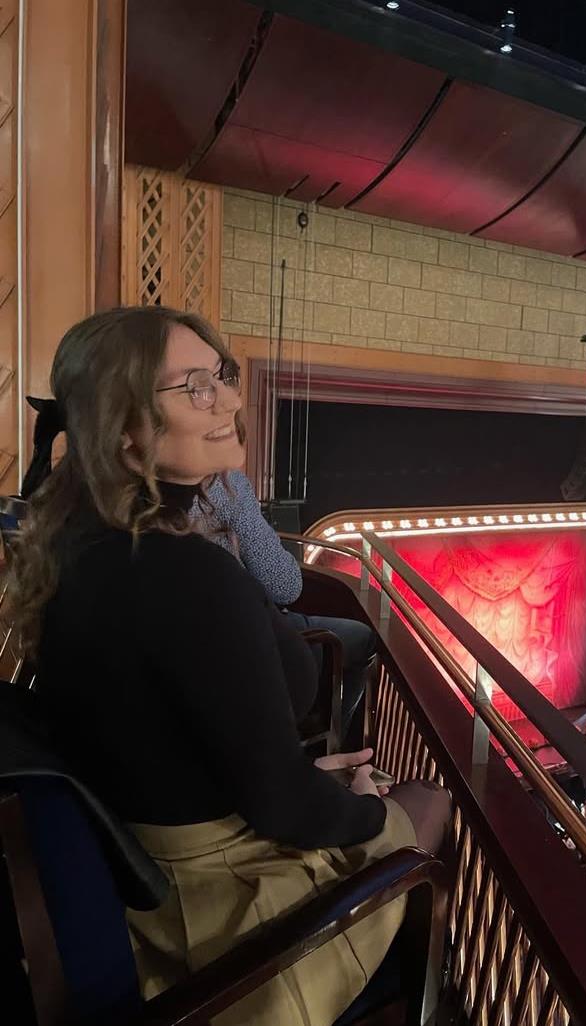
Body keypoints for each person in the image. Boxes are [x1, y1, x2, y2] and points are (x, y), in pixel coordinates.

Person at [7, 306, 452, 1026]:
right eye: (195, 388)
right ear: (126, 432)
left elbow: (162, 729)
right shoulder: (184, 576)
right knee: (427, 803)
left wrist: (296, 780)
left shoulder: (80, 543)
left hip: (150, 875)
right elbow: (285, 808)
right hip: (221, 924)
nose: (232, 402)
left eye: (222, 378)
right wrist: (367, 807)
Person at [195, 470, 377, 742]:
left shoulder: (115, 500)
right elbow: (285, 586)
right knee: (363, 638)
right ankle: (330, 749)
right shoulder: (222, 486)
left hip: (188, 658)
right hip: (239, 648)